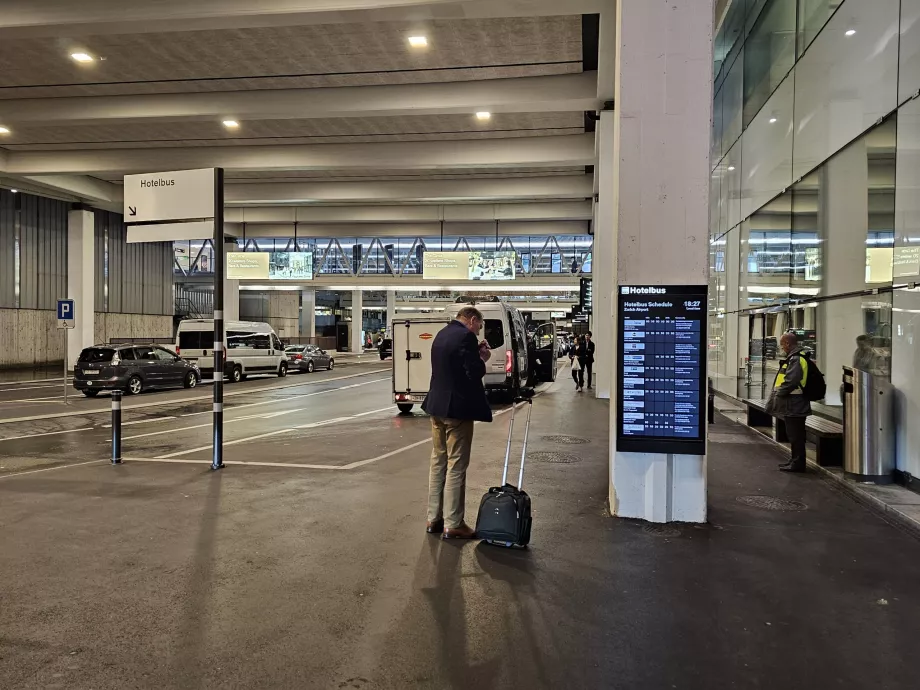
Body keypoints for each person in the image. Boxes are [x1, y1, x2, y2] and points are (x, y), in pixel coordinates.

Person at [422, 306, 493, 539]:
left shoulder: (442, 333)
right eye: (479, 326)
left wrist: (474, 351)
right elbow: (472, 372)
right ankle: (454, 523)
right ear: (472, 320)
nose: (478, 332)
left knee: (438, 462)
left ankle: (434, 519)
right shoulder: (466, 336)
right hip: (456, 410)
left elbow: (453, 366)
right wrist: (482, 357)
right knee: (456, 465)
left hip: (436, 407)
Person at [767, 332, 812, 473]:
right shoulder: (794, 357)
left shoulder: (796, 359)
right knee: (793, 435)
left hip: (795, 403)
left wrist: (779, 393)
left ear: (787, 343)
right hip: (793, 403)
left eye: (782, 345)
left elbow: (791, 381)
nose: (782, 348)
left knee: (796, 435)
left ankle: (798, 463)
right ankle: (794, 460)